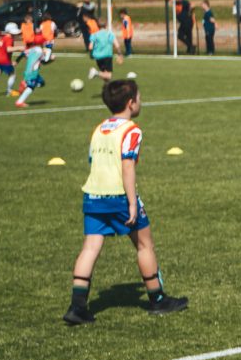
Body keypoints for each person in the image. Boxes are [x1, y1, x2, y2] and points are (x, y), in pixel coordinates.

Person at [64, 77, 188, 324]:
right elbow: (127, 165)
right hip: (120, 196)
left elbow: (93, 160)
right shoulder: (132, 130)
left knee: (90, 248)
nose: (141, 101)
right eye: (139, 97)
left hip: (93, 195)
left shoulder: (99, 128)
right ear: (131, 103)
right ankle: (158, 300)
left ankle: (77, 307)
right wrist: (132, 202)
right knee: (144, 245)